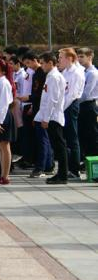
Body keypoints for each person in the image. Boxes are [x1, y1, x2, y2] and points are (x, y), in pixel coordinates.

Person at [37, 52, 68, 184]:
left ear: (50, 62)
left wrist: (46, 118)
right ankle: (61, 174)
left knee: (60, 147)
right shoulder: (51, 76)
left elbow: (52, 100)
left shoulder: (54, 77)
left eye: (43, 63)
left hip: (53, 117)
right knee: (58, 147)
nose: (41, 66)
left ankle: (62, 175)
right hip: (51, 117)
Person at [59, 48, 85, 179]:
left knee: (72, 137)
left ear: (69, 58)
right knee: (66, 138)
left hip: (70, 106)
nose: (59, 60)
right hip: (64, 106)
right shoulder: (65, 72)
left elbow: (72, 95)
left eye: (61, 57)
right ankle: (68, 166)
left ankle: (75, 169)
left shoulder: (77, 73)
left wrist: (61, 109)